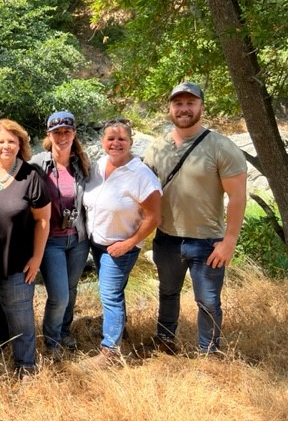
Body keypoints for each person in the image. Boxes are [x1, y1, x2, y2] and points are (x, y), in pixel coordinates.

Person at [143, 82, 247, 355]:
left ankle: (209, 353)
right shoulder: (156, 147)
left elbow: (237, 197)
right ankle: (164, 342)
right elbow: (142, 191)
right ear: (170, 108)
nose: (184, 109)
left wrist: (229, 241)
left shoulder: (220, 146)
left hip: (207, 242)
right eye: (178, 104)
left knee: (208, 302)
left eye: (190, 103)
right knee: (167, 293)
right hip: (167, 239)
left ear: (202, 106)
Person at [0, 119, 51, 378]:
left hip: (18, 262)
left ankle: (25, 364)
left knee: (20, 314)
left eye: (12, 141)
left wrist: (37, 257)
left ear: (21, 145)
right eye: (1, 141)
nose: (6, 146)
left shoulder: (31, 175)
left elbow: (43, 220)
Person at [81, 118, 161, 368]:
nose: (116, 143)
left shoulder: (141, 175)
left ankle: (110, 352)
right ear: (103, 141)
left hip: (121, 247)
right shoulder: (98, 166)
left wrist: (130, 243)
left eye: (121, 139)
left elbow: (154, 217)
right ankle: (119, 332)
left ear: (130, 142)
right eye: (111, 138)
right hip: (97, 243)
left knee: (110, 294)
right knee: (114, 293)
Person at [29, 111, 90, 358]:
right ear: (49, 135)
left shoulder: (82, 164)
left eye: (67, 131)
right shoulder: (37, 164)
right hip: (50, 240)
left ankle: (65, 332)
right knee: (59, 295)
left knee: (72, 289)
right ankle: (52, 340)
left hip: (78, 238)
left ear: (74, 133)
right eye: (57, 132)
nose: (62, 136)